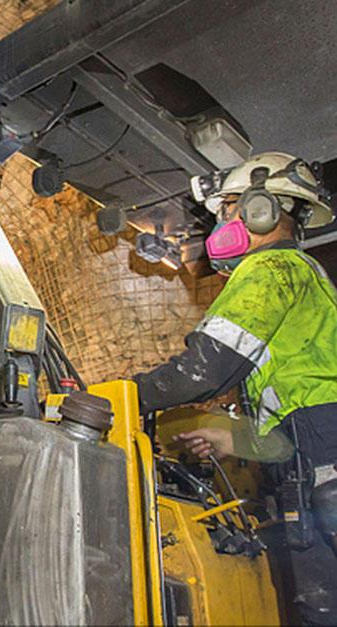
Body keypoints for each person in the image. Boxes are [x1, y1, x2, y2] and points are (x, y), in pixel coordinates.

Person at [133, 152, 337, 625]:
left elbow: (204, 370)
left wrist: (121, 394)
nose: (222, 223)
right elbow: (300, 415)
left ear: (259, 210)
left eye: (227, 209)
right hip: (314, 461)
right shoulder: (307, 276)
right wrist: (235, 438)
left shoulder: (271, 269)